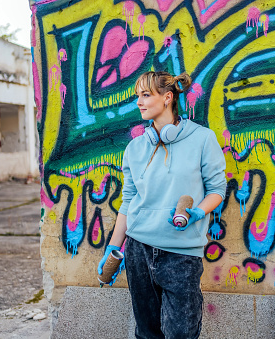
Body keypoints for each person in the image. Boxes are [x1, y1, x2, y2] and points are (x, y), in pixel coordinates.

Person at [97, 71, 227, 339]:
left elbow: (217, 190)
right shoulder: (134, 148)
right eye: (138, 96)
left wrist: (197, 213)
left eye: (146, 95)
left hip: (181, 255)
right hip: (137, 252)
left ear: (168, 97)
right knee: (147, 333)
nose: (139, 102)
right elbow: (129, 200)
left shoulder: (202, 139)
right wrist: (113, 246)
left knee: (181, 334)